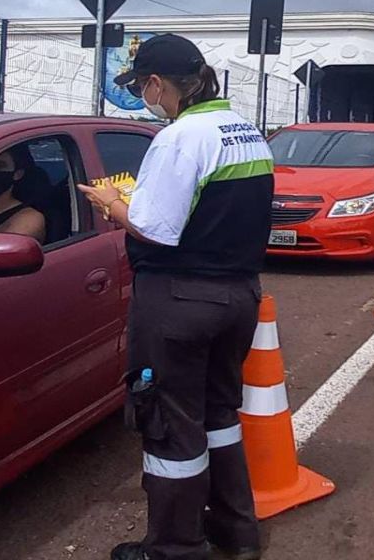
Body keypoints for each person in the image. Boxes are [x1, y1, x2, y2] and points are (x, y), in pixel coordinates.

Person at [77, 34, 273, 560]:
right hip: (238, 295)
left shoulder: (181, 137)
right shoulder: (245, 131)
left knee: (168, 425)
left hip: (180, 301)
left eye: (142, 85)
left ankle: (174, 548)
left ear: (158, 83)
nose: (144, 94)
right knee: (219, 415)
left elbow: (154, 229)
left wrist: (112, 202)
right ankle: (236, 530)